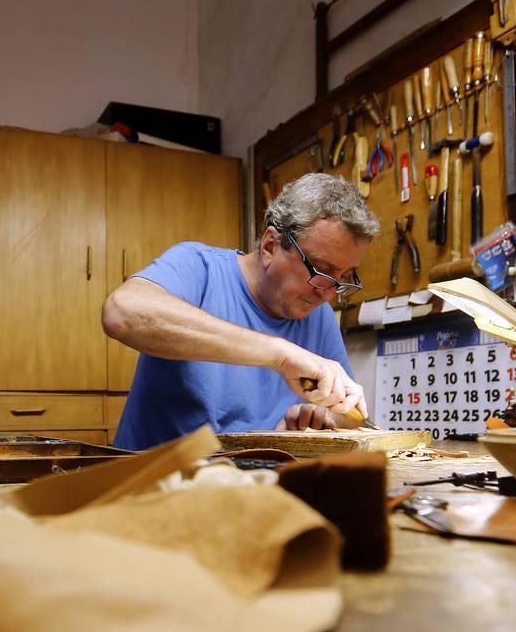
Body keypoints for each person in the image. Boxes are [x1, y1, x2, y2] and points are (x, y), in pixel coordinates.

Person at [103, 172, 380, 451]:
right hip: (154, 487)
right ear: (271, 246)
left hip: (250, 485)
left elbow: (349, 417)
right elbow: (122, 313)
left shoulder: (316, 311)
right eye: (321, 270)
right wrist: (281, 355)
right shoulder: (200, 267)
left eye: (342, 277)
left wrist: (327, 416)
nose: (328, 293)